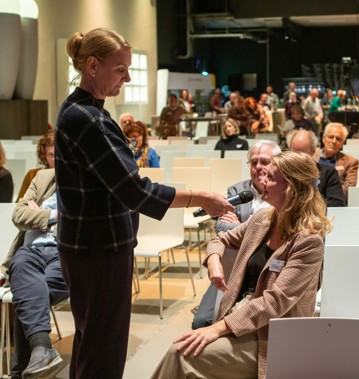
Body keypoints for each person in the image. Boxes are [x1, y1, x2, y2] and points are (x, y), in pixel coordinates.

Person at [55, 28, 233, 379]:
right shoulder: (85, 118)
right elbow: (133, 191)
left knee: (93, 343)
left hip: (95, 247)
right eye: (120, 69)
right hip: (98, 250)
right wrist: (201, 198)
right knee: (103, 351)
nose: (128, 77)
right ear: (93, 65)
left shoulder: (89, 111)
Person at [152, 151, 332, 379]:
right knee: (183, 350)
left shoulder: (309, 242)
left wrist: (216, 328)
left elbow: (273, 303)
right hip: (240, 315)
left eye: (271, 177)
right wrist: (214, 261)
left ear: (292, 188)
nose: (262, 181)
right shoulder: (264, 218)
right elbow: (220, 239)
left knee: (181, 354)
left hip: (272, 334)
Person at [192, 140, 280, 329]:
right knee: (201, 322)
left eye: (264, 162)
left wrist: (241, 226)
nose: (258, 167)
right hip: (232, 267)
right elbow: (221, 229)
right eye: (253, 162)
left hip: (266, 270)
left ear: (276, 163)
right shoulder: (237, 191)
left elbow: (276, 233)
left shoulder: (282, 194)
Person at [5, 168, 69, 379]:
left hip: (64, 252)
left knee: (28, 296)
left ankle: (21, 370)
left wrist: (39, 214)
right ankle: (42, 350)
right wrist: (54, 216)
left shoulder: (88, 178)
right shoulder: (43, 177)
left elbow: (85, 219)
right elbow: (18, 215)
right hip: (29, 251)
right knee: (27, 284)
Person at [287, 129, 346, 207]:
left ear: (313, 151)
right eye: (295, 153)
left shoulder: (328, 172)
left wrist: (303, 205)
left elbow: (337, 204)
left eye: (302, 153)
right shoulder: (283, 171)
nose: (298, 158)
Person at [319, 123, 359, 202]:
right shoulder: (311, 157)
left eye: (338, 139)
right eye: (331, 137)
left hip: (334, 204)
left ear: (342, 143)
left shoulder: (351, 162)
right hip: (310, 205)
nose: (334, 141)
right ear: (324, 138)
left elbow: (347, 190)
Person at [15, 132, 55, 202]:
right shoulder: (32, 174)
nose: (54, 159)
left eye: (57, 154)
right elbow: (19, 203)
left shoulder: (69, 176)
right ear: (44, 156)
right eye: (50, 155)